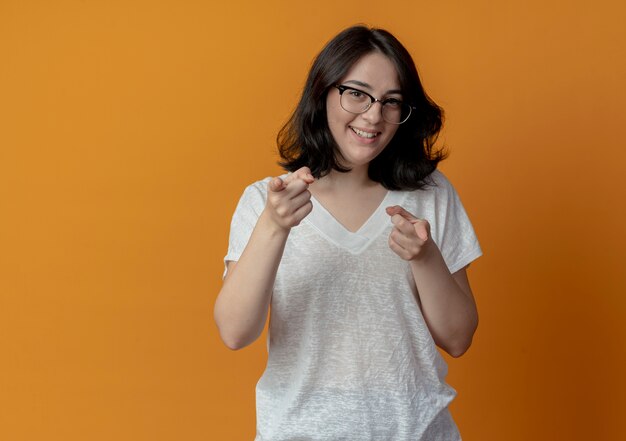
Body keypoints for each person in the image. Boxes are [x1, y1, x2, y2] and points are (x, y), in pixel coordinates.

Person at [214, 25, 482, 441]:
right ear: (322, 92)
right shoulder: (266, 201)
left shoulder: (431, 195)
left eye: (391, 102)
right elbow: (235, 332)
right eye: (356, 93)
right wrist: (274, 226)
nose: (374, 115)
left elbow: (459, 337)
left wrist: (425, 257)